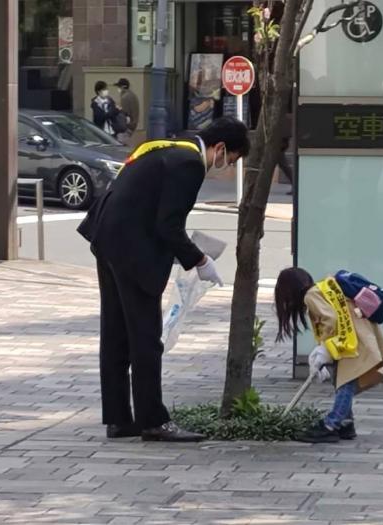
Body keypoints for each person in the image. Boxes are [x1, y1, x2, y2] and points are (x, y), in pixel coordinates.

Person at [83, 117, 250, 442]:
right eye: (230, 159)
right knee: (146, 337)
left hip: (107, 239)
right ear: (220, 148)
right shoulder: (189, 164)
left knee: (115, 332)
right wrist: (200, 260)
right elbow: (168, 225)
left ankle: (118, 419)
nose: (226, 167)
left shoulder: (170, 148)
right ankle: (153, 421)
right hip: (132, 250)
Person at [274, 267, 383, 443]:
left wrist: (323, 349)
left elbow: (330, 319)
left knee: (345, 382)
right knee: (342, 380)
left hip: (352, 342)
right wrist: (321, 353)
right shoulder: (323, 289)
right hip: (356, 338)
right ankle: (346, 423)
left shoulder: (310, 296)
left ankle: (331, 424)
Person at [114, 78, 140, 144]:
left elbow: (123, 114)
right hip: (132, 126)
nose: (118, 89)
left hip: (126, 128)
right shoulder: (133, 95)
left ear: (123, 87)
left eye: (119, 87)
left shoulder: (125, 97)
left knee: (119, 146)